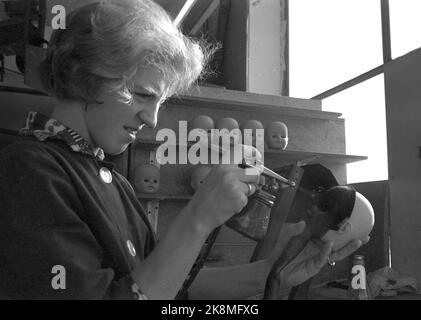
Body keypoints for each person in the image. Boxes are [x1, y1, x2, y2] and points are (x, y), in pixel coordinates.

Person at [0, 0, 366, 300]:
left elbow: (164, 288)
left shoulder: (115, 183)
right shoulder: (30, 171)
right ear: (87, 74)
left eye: (159, 101)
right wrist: (198, 219)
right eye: (143, 94)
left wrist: (274, 274)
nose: (152, 118)